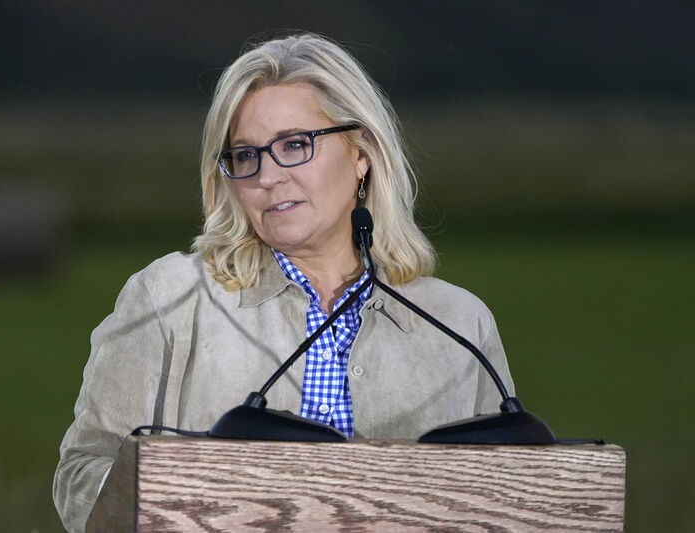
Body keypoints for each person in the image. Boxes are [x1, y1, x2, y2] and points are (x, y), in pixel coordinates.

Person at [53, 32, 514, 532]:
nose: (268, 176)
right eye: (245, 155)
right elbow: (82, 477)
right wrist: (194, 507)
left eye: (295, 145)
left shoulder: (460, 324)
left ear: (361, 152)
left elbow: (513, 493)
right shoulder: (169, 298)